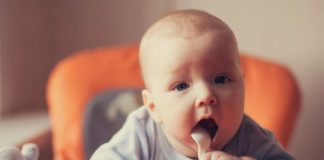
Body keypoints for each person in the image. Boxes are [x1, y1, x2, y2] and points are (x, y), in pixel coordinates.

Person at [90, 9, 294, 160]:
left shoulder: (251, 138)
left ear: (243, 85)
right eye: (181, 86)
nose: (206, 94)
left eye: (221, 79)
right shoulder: (143, 133)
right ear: (153, 107)